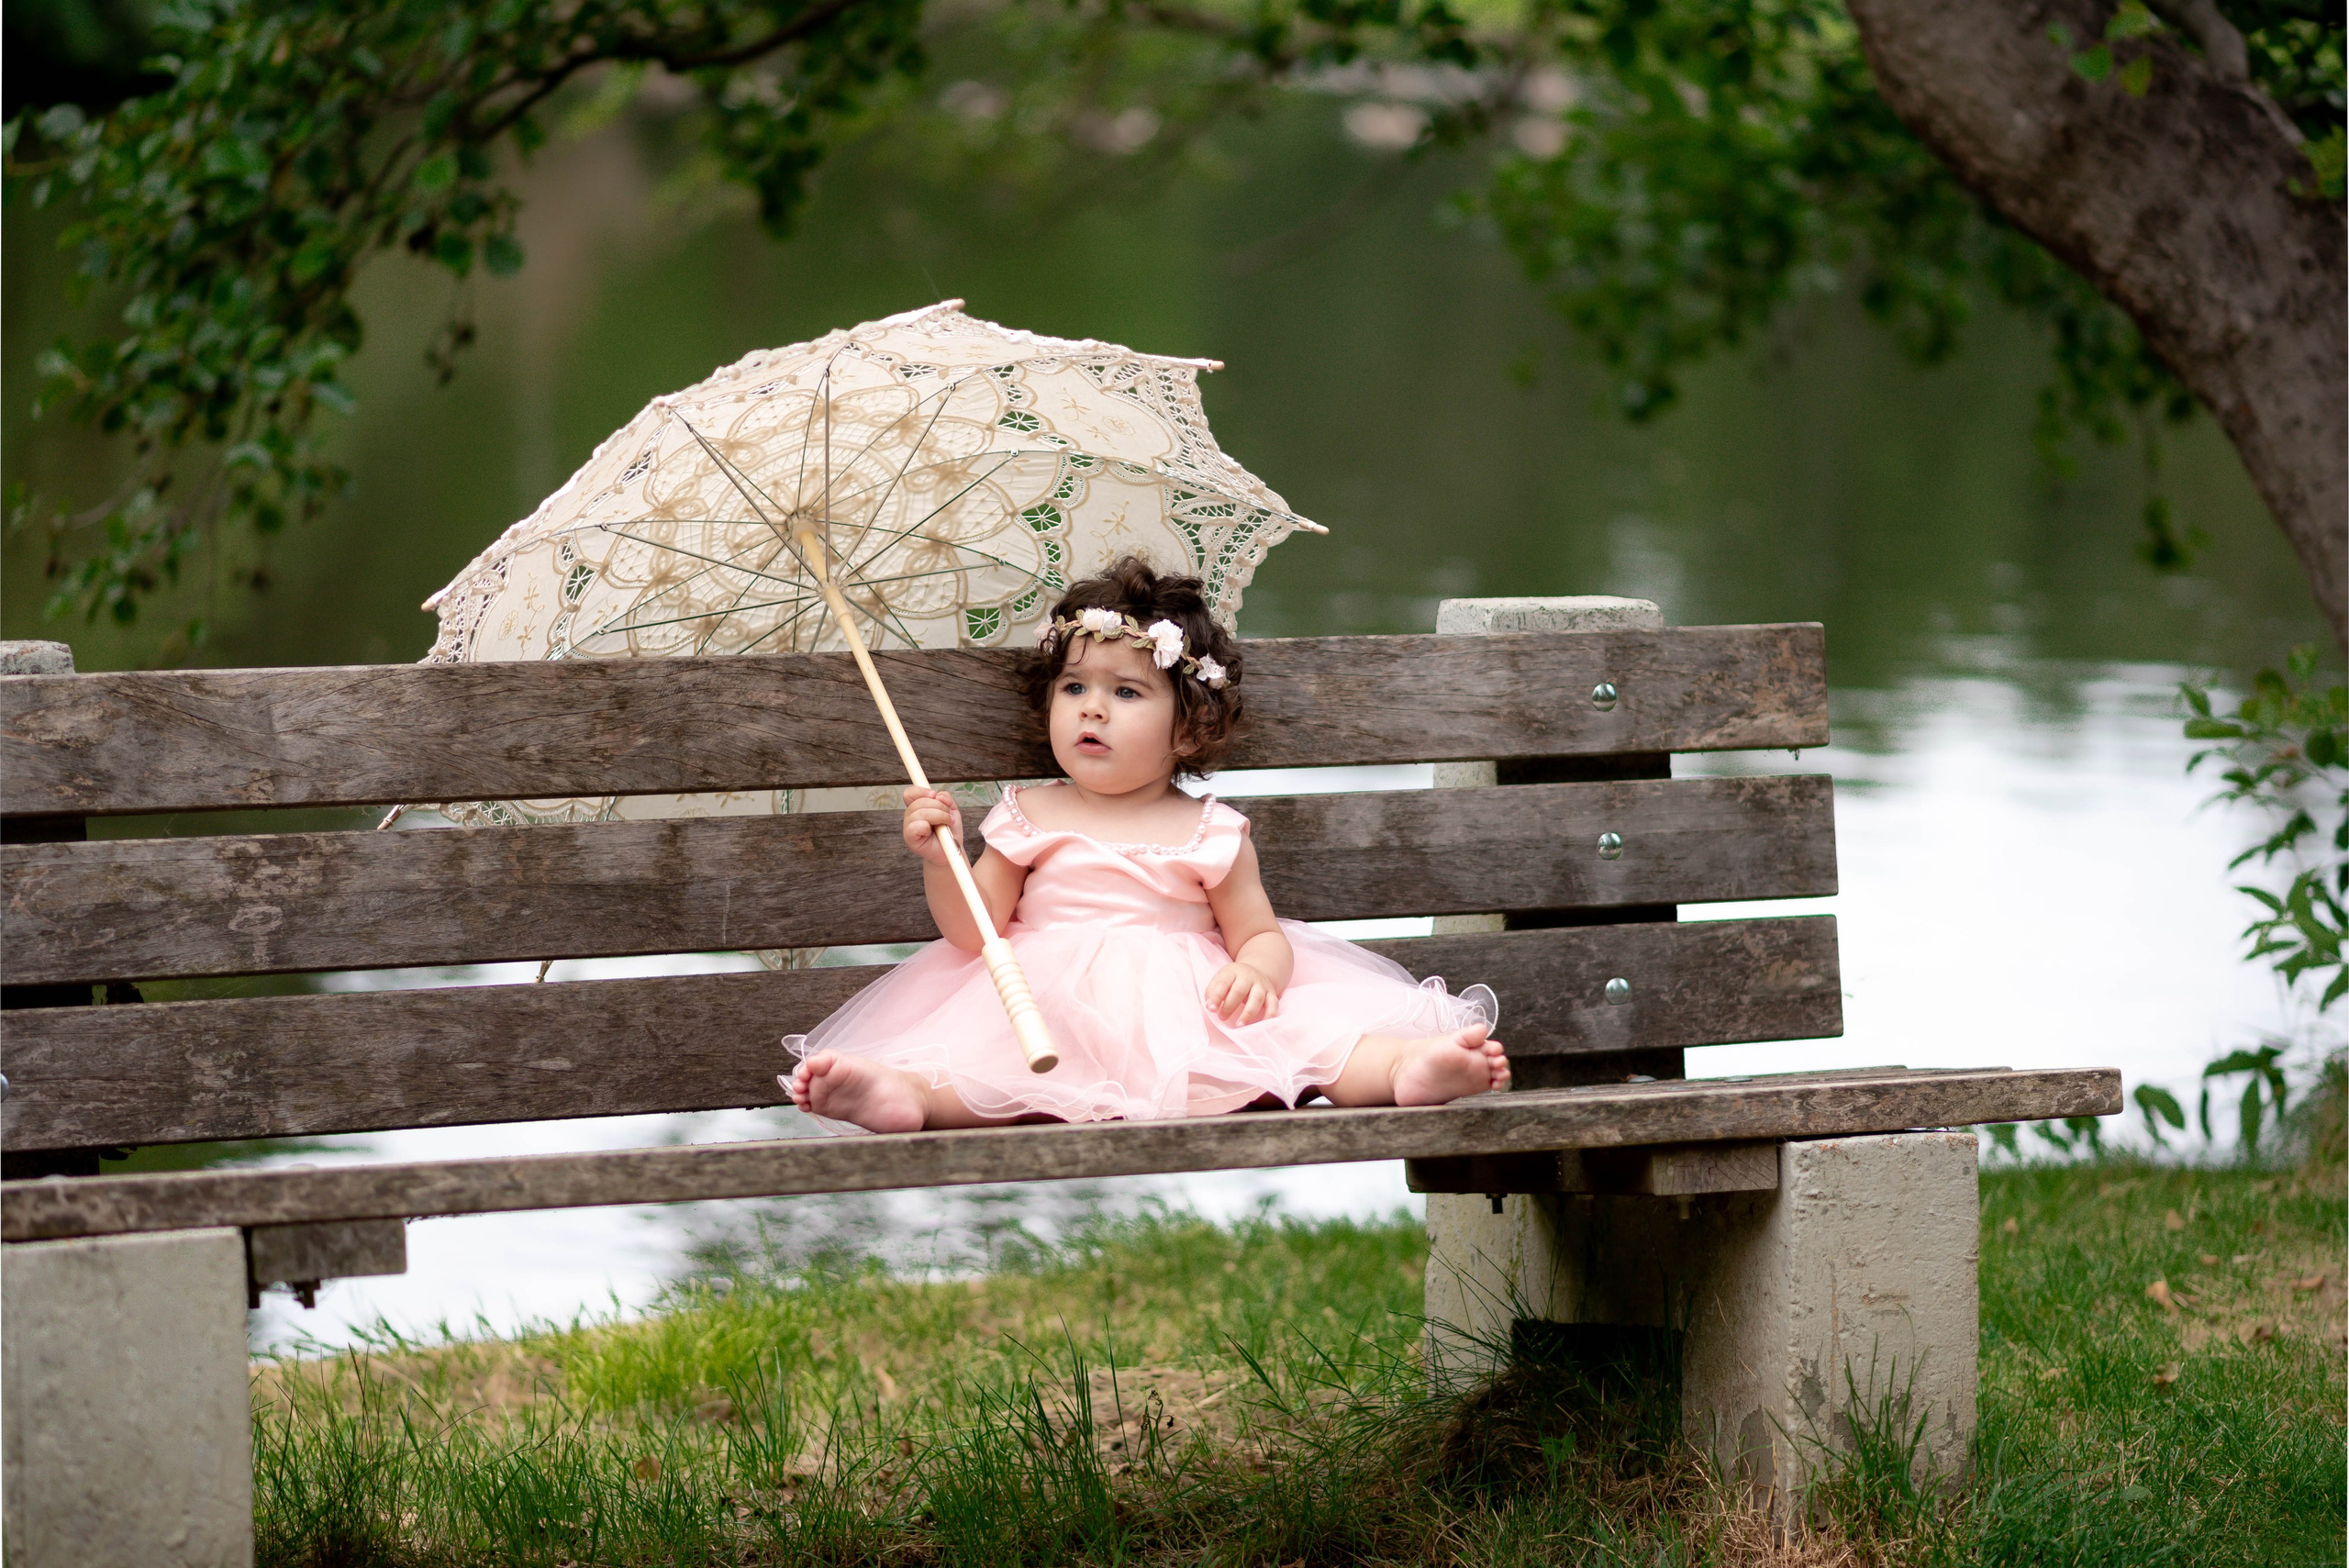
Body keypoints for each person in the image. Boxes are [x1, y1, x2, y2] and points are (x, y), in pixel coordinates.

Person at [782, 555, 1509, 1134]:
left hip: (1191, 1014)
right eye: (1073, 687)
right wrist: (942, 857)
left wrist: (1257, 972)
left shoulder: (1209, 830)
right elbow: (974, 933)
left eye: (1126, 693)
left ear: (1187, 729)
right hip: (1047, 1003)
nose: (1092, 706)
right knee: (980, 1068)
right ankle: (903, 1093)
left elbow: (1257, 931)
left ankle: (1403, 1071)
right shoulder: (1027, 814)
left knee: (1316, 1044)